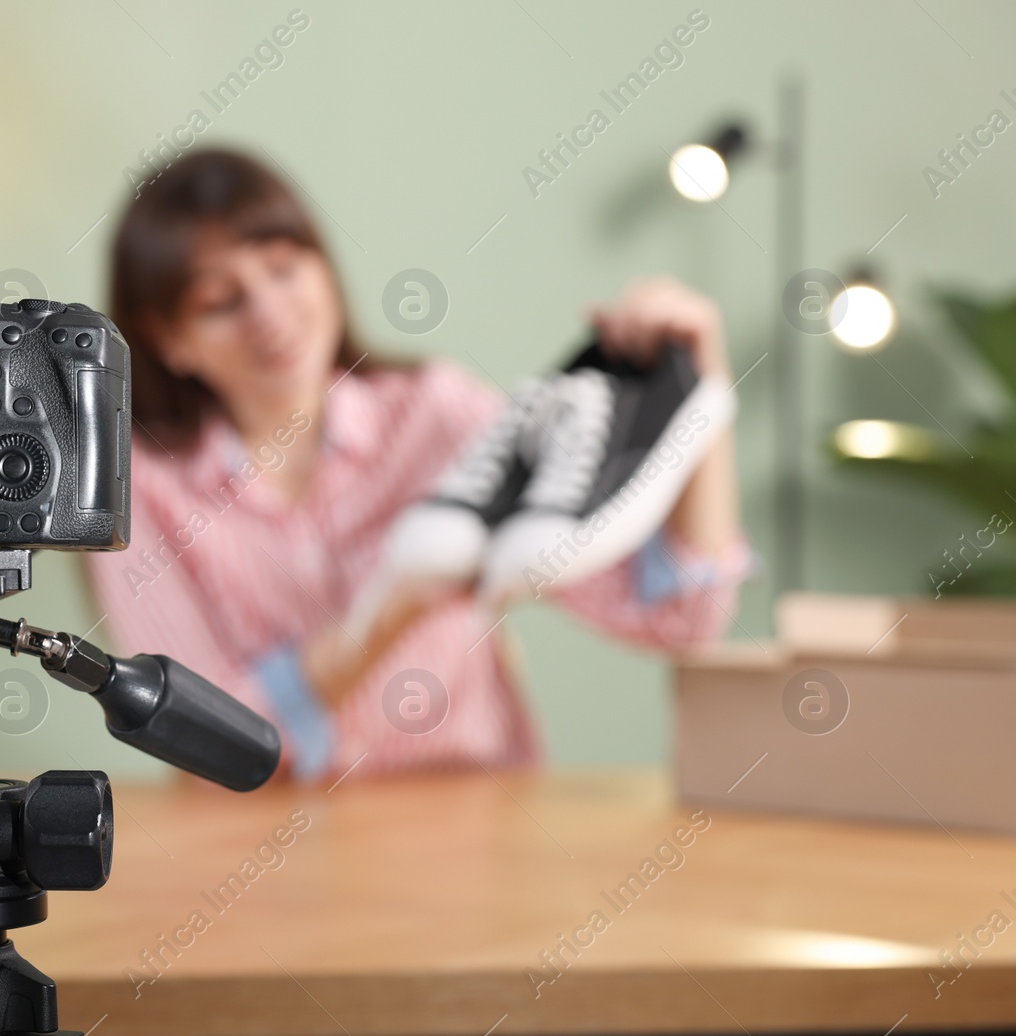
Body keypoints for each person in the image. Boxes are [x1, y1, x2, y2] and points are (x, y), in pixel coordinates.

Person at [85, 149, 751, 782]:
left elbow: (679, 621)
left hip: (471, 812)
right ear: (168, 339)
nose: (270, 314)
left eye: (286, 268)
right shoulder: (140, 487)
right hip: (260, 841)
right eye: (221, 302)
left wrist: (701, 399)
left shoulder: (441, 413)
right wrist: (393, 606)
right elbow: (195, 733)